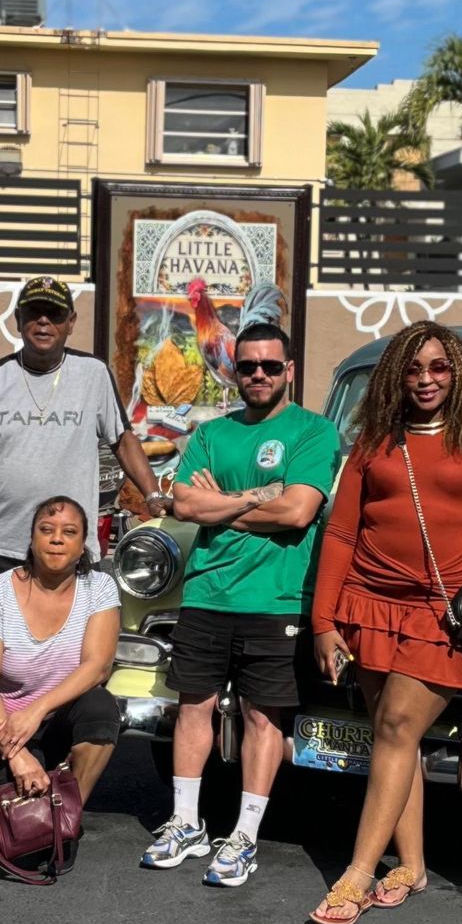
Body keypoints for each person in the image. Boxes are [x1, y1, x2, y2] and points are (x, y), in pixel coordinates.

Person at [307, 321, 462, 924]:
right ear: (396, 376)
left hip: (447, 616)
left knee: (398, 726)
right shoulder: (374, 440)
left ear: (458, 376)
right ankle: (413, 864)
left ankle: (356, 871)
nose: (426, 379)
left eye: (439, 368)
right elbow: (342, 533)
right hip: (368, 605)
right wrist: (325, 623)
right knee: (393, 738)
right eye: (414, 368)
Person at [140, 322, 338, 888]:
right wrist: (256, 497)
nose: (257, 375)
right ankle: (185, 822)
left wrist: (219, 501)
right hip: (205, 591)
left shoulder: (313, 433)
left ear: (290, 371)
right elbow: (180, 502)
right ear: (234, 369)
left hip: (275, 598)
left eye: (270, 366)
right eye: (247, 365)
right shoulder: (210, 431)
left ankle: (245, 835)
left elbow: (298, 512)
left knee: (261, 716)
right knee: (193, 707)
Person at [0, 275, 165, 588]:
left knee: (71, 639)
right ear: (18, 319)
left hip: (70, 546)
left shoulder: (93, 374)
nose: (44, 321)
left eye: (55, 314)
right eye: (34, 312)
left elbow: (122, 440)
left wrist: (153, 496)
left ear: (71, 322)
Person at [0, 495, 123, 811]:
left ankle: (68, 812)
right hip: (3, 726)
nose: (56, 539)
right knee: (24, 832)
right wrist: (17, 755)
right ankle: (36, 795)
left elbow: (97, 667)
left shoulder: (100, 587)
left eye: (69, 532)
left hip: (58, 720)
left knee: (101, 707)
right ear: (32, 540)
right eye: (46, 529)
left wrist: (36, 711)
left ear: (83, 545)